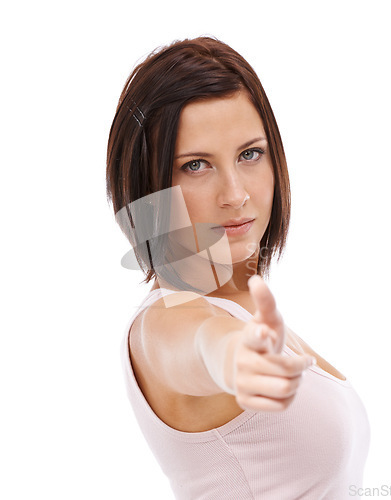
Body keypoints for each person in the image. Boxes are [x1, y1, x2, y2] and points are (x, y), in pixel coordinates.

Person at [106, 36, 370, 499]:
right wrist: (226, 356)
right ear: (148, 186)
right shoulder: (168, 319)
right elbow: (194, 345)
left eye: (250, 154)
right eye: (196, 165)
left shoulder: (242, 300)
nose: (235, 194)